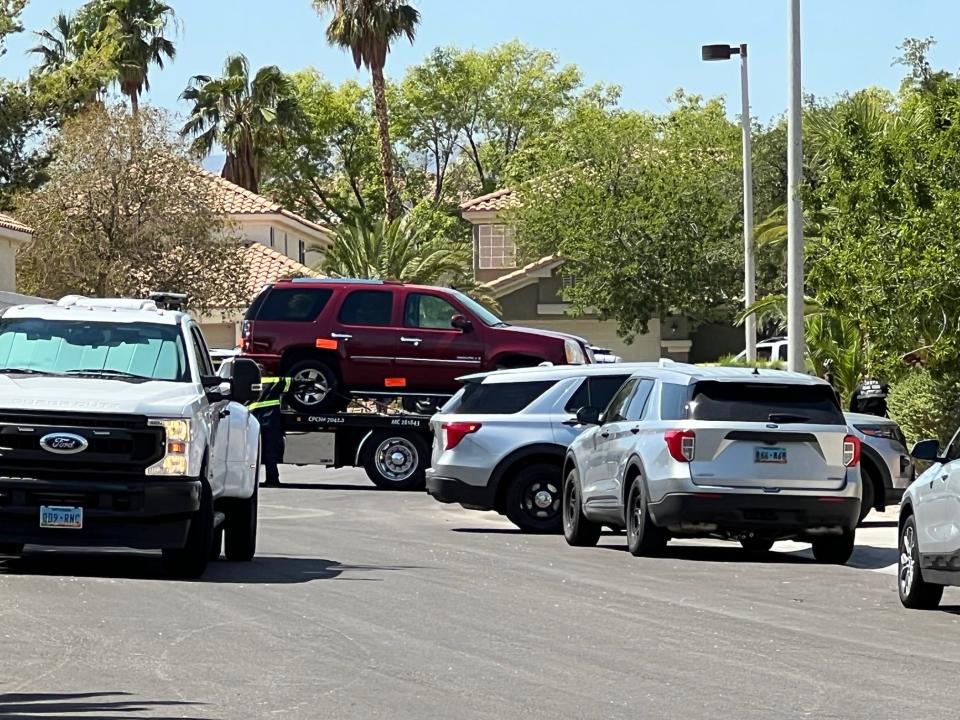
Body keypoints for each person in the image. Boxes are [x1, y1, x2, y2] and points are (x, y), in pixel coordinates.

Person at [247, 375, 297, 486]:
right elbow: (292, 383)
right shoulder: (275, 381)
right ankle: (272, 479)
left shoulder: (247, 382)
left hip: (253, 421)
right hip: (270, 422)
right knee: (271, 454)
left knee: (252, 455)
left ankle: (250, 481)